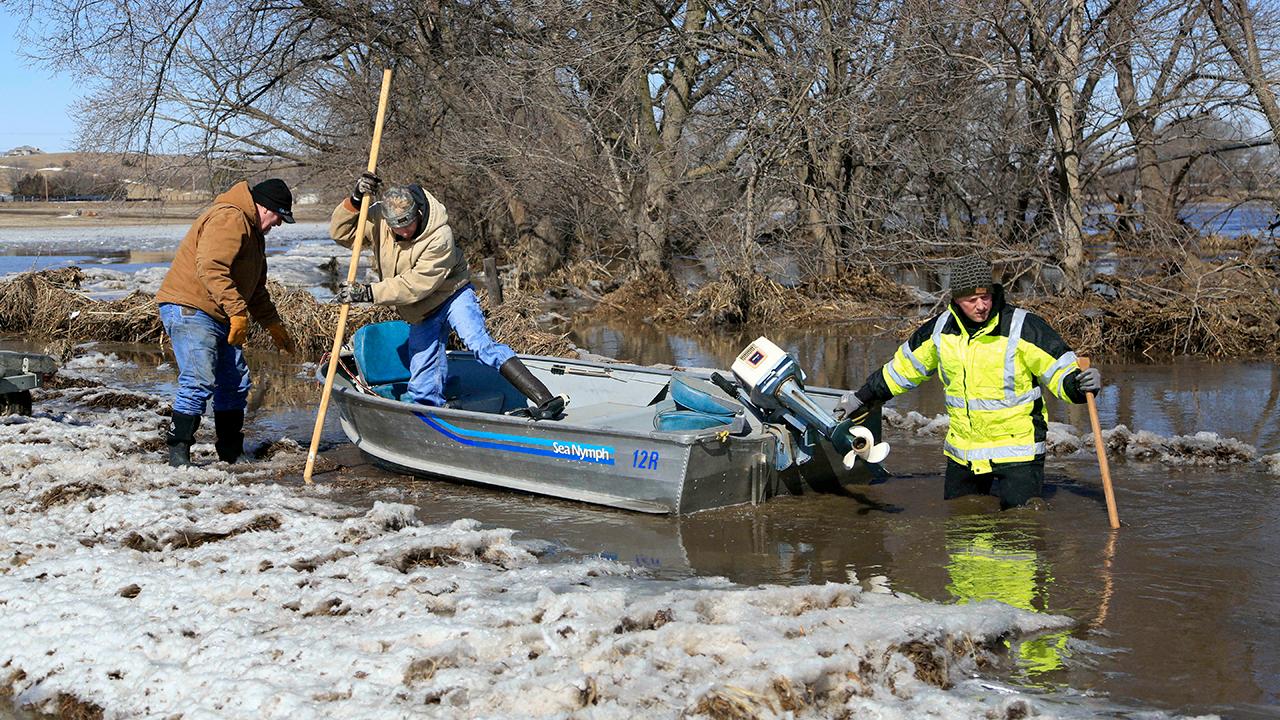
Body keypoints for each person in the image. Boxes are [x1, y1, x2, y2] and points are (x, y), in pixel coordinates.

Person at [836, 254, 1102, 509]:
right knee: (960, 527)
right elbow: (901, 371)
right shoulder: (941, 330)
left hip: (1018, 454)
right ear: (956, 299)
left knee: (1022, 533)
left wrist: (1078, 384)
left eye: (985, 297)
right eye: (972, 299)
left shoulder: (1023, 328)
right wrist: (862, 399)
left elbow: (1059, 371)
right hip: (964, 453)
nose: (981, 305)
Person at [329, 173, 566, 418]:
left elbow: (416, 285)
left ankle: (545, 399)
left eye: (408, 225)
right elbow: (342, 234)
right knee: (422, 385)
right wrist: (356, 200)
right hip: (420, 311)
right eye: (397, 228)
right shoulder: (380, 217)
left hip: (452, 295)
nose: (405, 232)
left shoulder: (440, 235)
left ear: (417, 214)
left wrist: (370, 293)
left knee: (479, 345)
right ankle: (434, 419)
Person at [156, 178, 298, 467]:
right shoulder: (230, 217)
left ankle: (231, 450)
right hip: (190, 308)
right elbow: (211, 268)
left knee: (234, 382)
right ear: (264, 207)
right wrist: (236, 312)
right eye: (278, 217)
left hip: (217, 311)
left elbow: (255, 289)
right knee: (198, 379)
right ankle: (179, 452)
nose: (279, 225)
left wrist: (273, 324)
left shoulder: (254, 232)